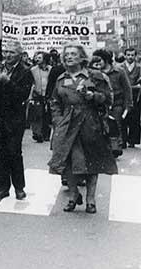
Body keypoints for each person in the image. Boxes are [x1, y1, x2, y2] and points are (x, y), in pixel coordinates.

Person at [49, 45, 116, 213]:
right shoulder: (60, 78)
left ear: (82, 58)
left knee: (92, 161)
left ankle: (91, 199)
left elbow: (108, 98)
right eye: (67, 54)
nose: (69, 57)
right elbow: (55, 101)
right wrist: (58, 120)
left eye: (73, 54)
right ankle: (73, 195)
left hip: (90, 123)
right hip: (67, 124)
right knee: (67, 161)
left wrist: (92, 96)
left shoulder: (95, 76)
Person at [0, 40, 34, 199]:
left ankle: (19, 186)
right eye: (5, 52)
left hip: (14, 119)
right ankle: (1, 186)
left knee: (14, 152)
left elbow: (23, 95)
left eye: (11, 53)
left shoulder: (26, 71)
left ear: (19, 55)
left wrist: (8, 82)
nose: (7, 55)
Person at [92, 49, 131, 156]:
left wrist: (128, 105)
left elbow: (127, 89)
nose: (97, 63)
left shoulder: (119, 71)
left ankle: (115, 148)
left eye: (99, 60)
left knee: (115, 125)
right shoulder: (93, 73)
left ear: (106, 60)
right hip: (99, 104)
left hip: (116, 103)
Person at [121, 47, 141, 147]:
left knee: (135, 118)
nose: (130, 57)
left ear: (135, 56)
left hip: (136, 95)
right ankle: (123, 140)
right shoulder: (120, 67)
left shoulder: (140, 67)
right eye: (128, 55)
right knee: (123, 117)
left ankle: (133, 141)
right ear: (125, 56)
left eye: (132, 55)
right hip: (123, 95)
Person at [28, 50, 52, 142]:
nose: (37, 59)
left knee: (46, 115)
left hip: (48, 95)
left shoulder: (51, 69)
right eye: (36, 57)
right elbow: (31, 83)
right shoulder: (33, 70)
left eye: (39, 58)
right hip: (37, 94)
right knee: (37, 114)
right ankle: (37, 134)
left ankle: (46, 134)